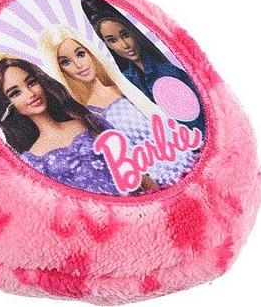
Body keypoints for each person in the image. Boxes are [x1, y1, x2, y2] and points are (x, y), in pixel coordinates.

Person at [38, 24, 199, 188]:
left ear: (89, 52)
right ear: (59, 69)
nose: (79, 65)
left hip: (189, 160)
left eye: (80, 54)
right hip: (161, 184)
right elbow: (124, 164)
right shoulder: (82, 113)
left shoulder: (125, 84)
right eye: (66, 62)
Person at [0, 53, 153, 195]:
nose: (30, 93)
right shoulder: (31, 162)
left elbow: (137, 170)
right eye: (15, 93)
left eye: (31, 83)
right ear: (6, 106)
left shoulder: (88, 121)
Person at [81, 0, 206, 137]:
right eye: (112, 40)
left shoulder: (168, 68)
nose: (125, 45)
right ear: (107, 45)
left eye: (125, 34)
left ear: (133, 30)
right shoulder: (126, 81)